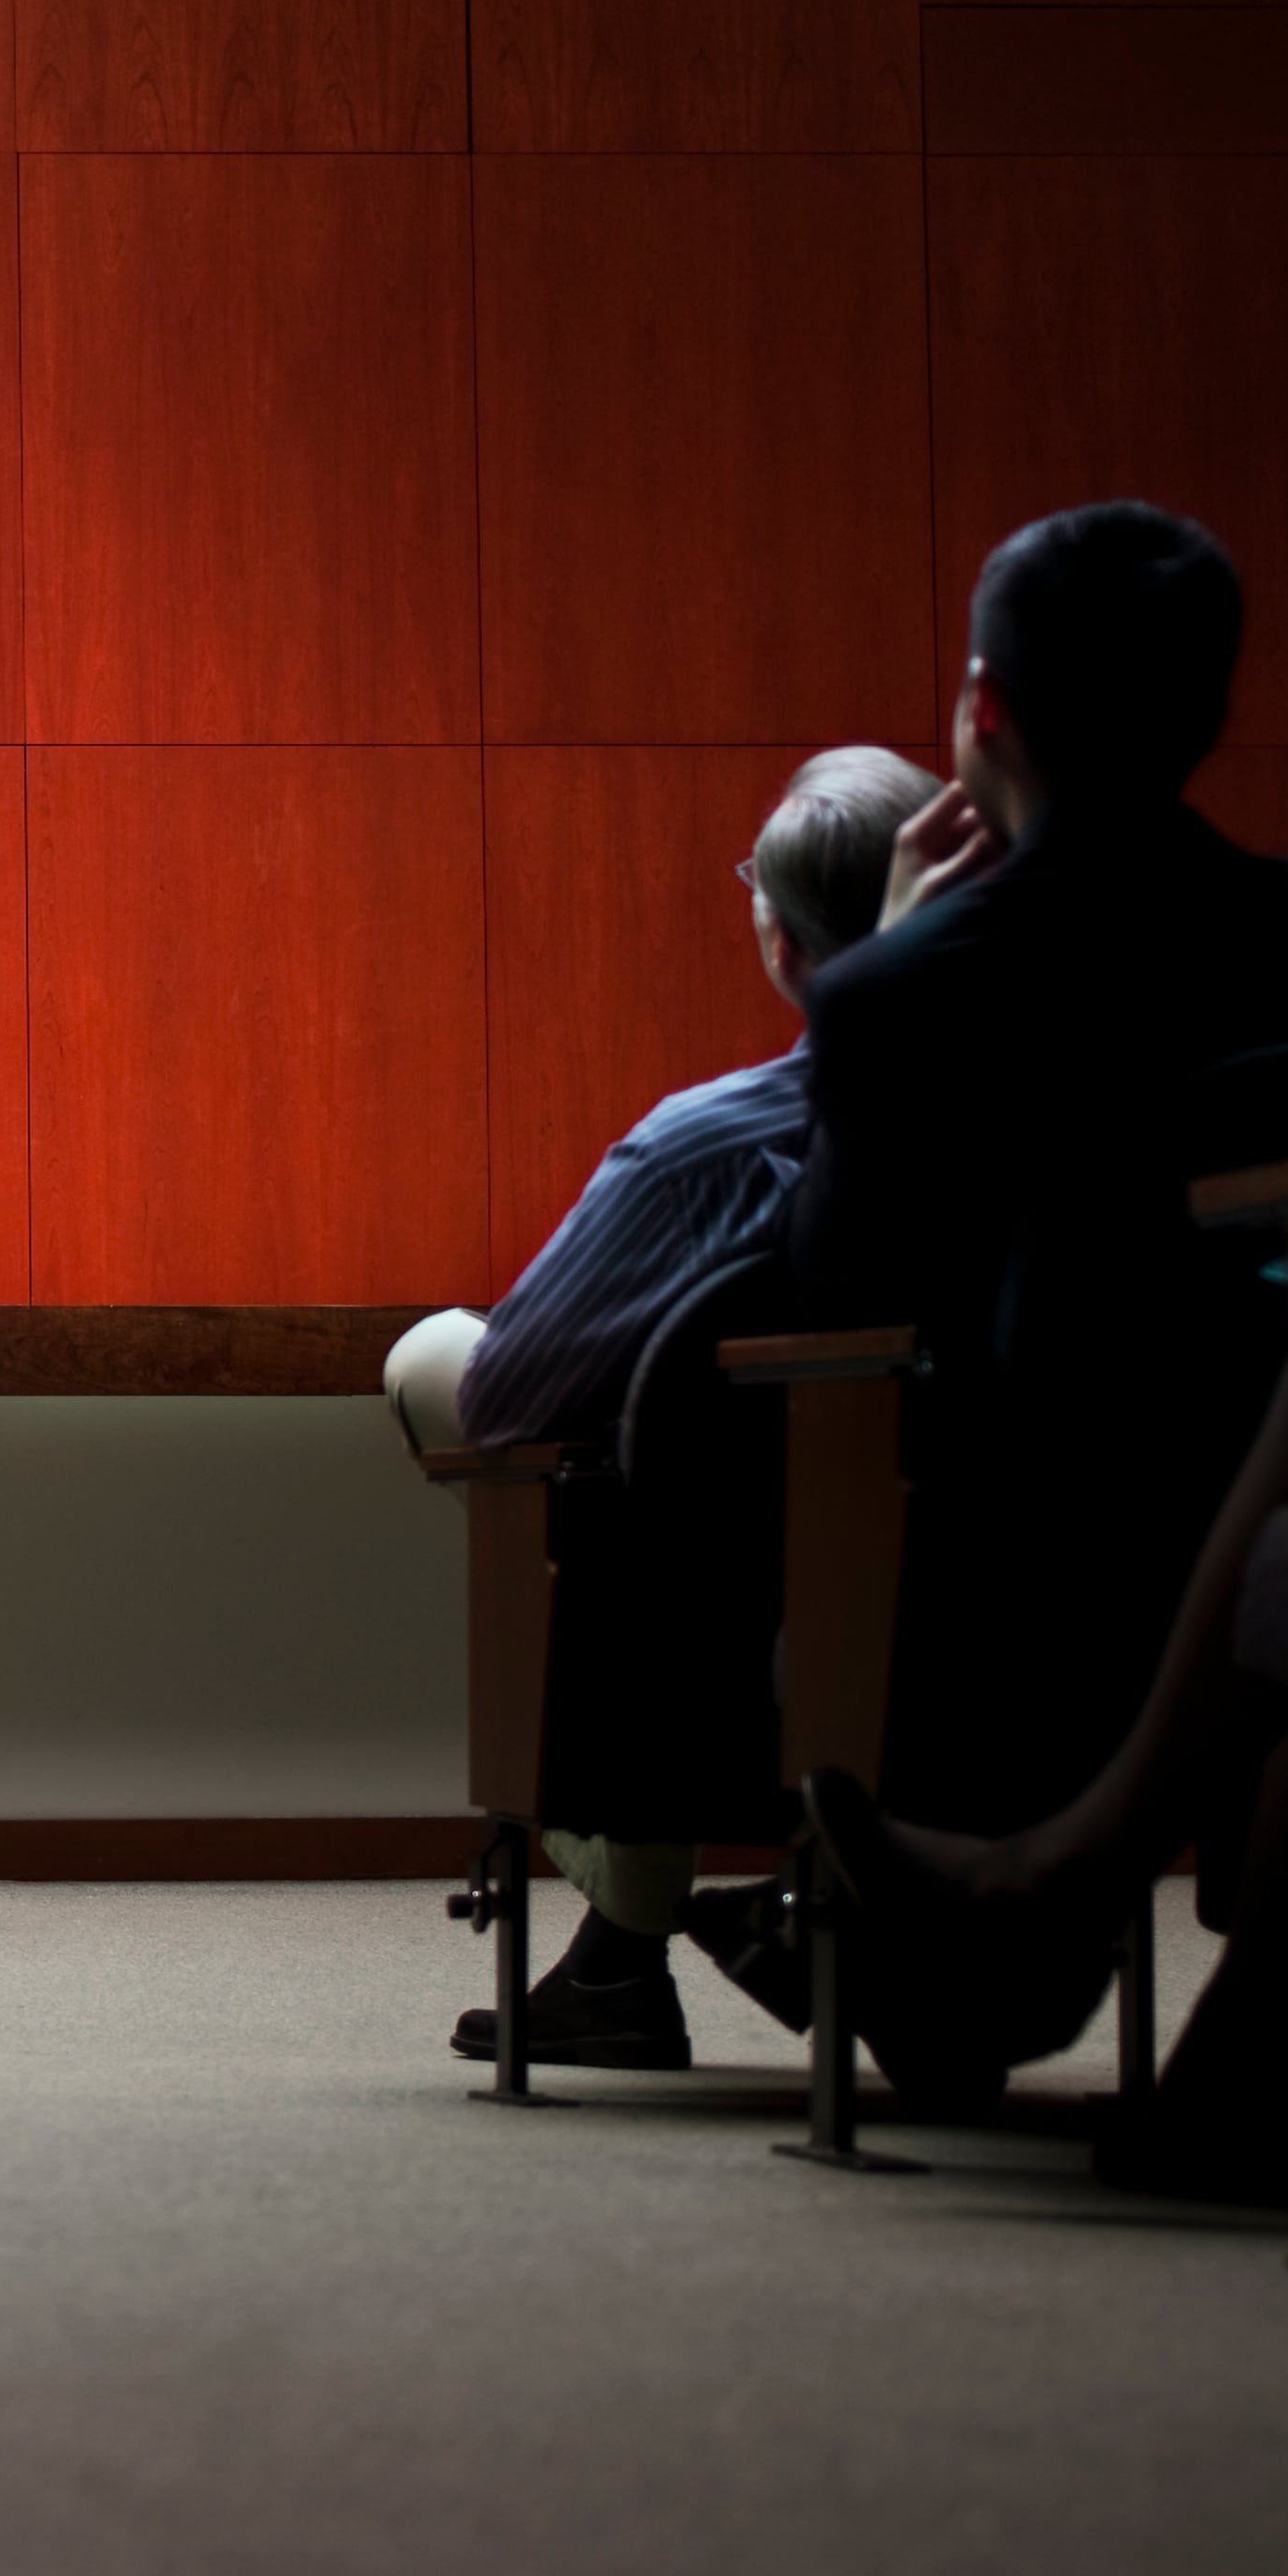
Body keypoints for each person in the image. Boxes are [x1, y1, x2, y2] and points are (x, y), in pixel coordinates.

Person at [786, 503, 1288, 1835]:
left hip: (1013, 1596)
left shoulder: (892, 1001)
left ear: (982, 710)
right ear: (1213, 709)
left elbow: (842, 1310)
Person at [391, 746, 937, 2073]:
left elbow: (514, 1393)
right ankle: (622, 1960)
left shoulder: (709, 1145)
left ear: (786, 941)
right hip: (1005, 1615)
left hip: (713, 1640)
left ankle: (639, 1908)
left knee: (449, 1367)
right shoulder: (1068, 1138)